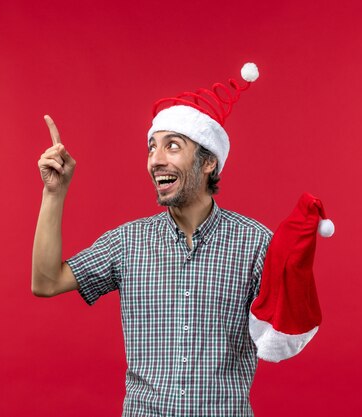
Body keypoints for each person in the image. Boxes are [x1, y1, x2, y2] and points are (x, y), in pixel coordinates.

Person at [31, 64, 289, 416]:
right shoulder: (128, 242)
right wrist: (54, 193)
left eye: (172, 146)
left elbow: (285, 331)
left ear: (209, 162)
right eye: (152, 148)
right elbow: (46, 282)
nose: (156, 160)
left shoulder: (256, 243)